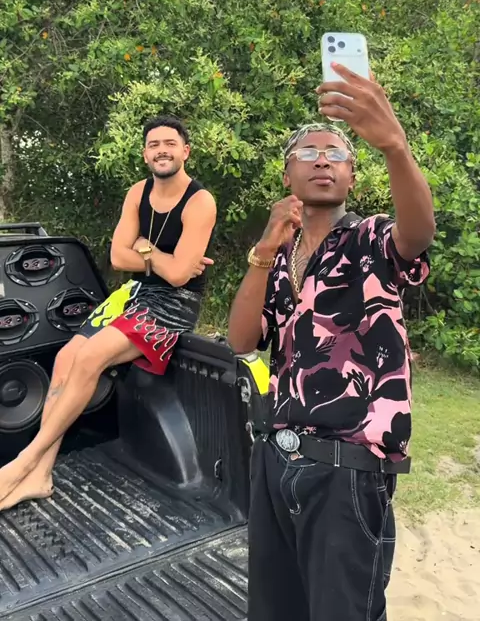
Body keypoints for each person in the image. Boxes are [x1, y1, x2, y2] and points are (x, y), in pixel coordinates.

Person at [228, 64, 435, 621]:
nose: (323, 160)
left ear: (351, 177)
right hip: (276, 459)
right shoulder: (280, 256)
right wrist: (263, 250)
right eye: (308, 152)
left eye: (337, 153)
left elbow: (418, 233)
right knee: (276, 610)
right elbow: (242, 340)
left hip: (349, 469)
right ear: (287, 175)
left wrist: (394, 146)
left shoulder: (371, 238)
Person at [0, 114, 217, 510]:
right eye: (154, 145)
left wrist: (144, 247)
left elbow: (179, 276)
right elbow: (118, 257)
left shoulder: (199, 201)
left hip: (174, 304)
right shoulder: (138, 193)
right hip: (135, 294)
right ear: (145, 154)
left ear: (185, 151)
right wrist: (160, 257)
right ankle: (41, 475)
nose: (162, 151)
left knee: (90, 358)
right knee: (66, 357)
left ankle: (23, 463)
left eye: (170, 143)